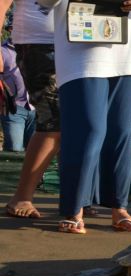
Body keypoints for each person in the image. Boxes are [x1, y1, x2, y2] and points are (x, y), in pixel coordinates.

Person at [37, 0, 131, 233]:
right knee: (88, 131)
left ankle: (119, 209)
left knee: (121, 133)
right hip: (81, 58)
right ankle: (74, 209)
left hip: (126, 58)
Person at [0, 0, 59, 218]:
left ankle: (77, 198)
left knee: (72, 125)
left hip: (75, 45)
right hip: (37, 44)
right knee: (53, 122)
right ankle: (21, 197)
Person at [0, 39, 35, 152]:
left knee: (36, 151)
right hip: (14, 109)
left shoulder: (36, 48)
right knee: (15, 150)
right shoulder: (2, 51)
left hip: (37, 108)